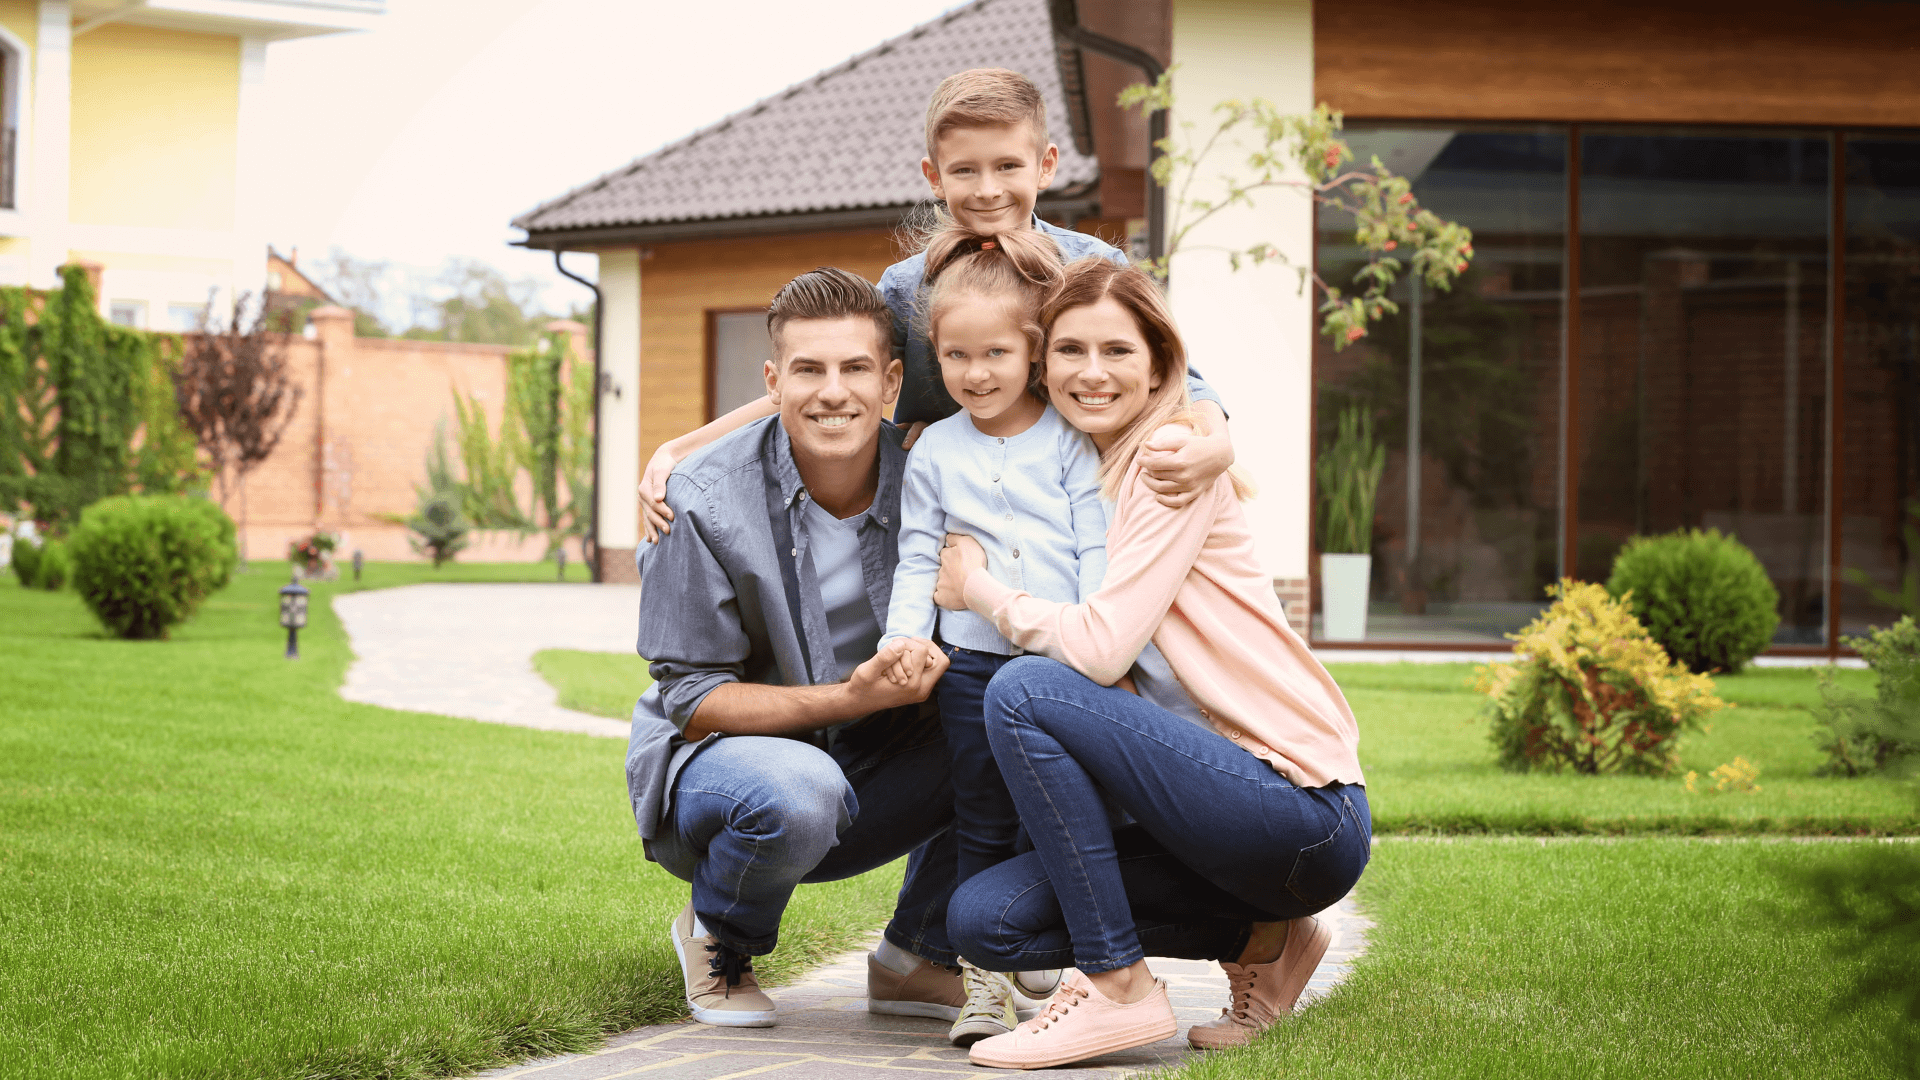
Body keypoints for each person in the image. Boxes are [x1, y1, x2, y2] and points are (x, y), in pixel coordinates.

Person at [933, 259, 1372, 1070]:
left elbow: (1099, 652)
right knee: (985, 920)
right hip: (1217, 818)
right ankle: (1270, 938)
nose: (1091, 373)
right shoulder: (1086, 468)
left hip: (1300, 807)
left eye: (1117, 351)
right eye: (1070, 351)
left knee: (1024, 688)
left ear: (1162, 365)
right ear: (1042, 363)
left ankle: (1116, 988)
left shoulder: (1169, 456)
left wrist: (980, 590)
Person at [635, 67, 1235, 545]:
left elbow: (1185, 383)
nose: (988, 189)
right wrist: (681, 448)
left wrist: (1217, 445)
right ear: (934, 176)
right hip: (954, 512)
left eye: (1008, 166)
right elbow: (827, 375)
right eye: (964, 170)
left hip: (1080, 503)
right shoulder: (908, 286)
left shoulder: (1093, 270)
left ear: (1046, 165)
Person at [630, 266, 967, 1029]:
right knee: (800, 788)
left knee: (1017, 710)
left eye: (854, 369)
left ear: (889, 382)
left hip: (874, 761)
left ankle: (920, 954)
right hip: (726, 779)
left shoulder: (934, 476)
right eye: (809, 370)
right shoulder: (703, 498)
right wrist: (852, 698)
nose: (832, 392)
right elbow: (691, 701)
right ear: (774, 380)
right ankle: (720, 935)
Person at [876, 222, 1101, 1047]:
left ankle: (1085, 979)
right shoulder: (934, 449)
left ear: (1033, 353)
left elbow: (1096, 551)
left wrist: (1102, 641)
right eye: (958, 358)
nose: (976, 374)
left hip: (1061, 665)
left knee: (1065, 817)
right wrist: (904, 641)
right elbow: (914, 558)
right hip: (970, 664)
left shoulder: (1073, 440)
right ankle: (983, 988)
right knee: (979, 818)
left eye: (997, 355)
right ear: (935, 356)